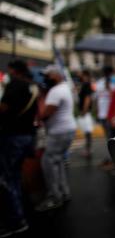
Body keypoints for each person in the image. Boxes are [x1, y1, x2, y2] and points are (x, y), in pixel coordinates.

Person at [0, 60, 39, 236]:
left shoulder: (15, 85)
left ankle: (17, 220)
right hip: (28, 135)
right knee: (15, 174)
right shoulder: (33, 87)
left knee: (8, 177)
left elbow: (3, 107)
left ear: (14, 71)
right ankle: (20, 209)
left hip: (13, 135)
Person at [36, 65, 77, 212]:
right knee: (57, 161)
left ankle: (55, 197)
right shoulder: (65, 87)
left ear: (57, 76)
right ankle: (64, 192)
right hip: (67, 129)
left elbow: (45, 114)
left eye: (48, 75)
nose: (46, 78)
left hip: (59, 132)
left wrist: (40, 98)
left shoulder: (55, 91)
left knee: (48, 162)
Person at [77, 69, 94, 157]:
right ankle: (88, 150)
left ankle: (88, 150)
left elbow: (87, 98)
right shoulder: (85, 84)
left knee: (88, 132)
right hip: (85, 112)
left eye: (80, 73)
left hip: (85, 112)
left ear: (84, 75)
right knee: (87, 132)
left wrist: (84, 110)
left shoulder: (86, 84)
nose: (78, 74)